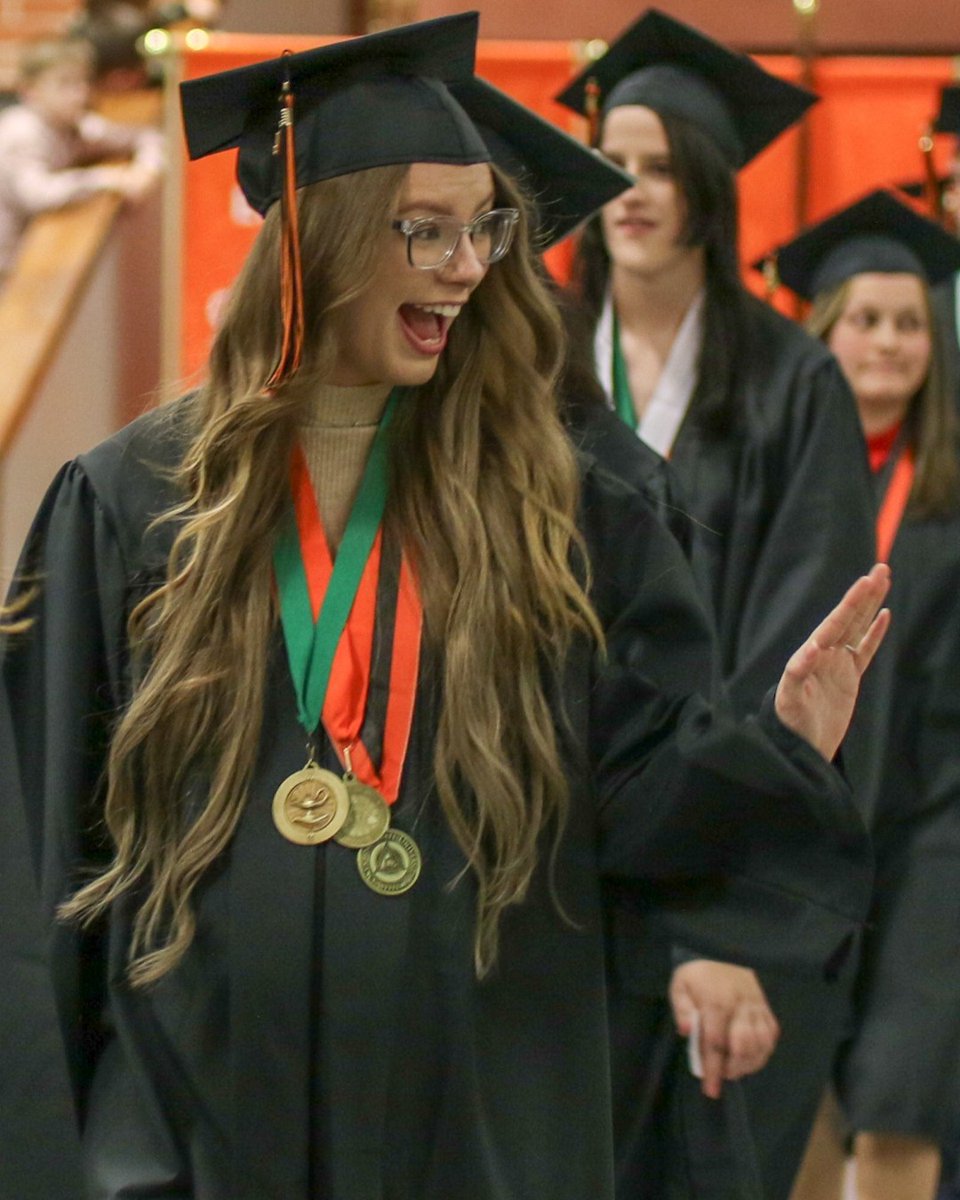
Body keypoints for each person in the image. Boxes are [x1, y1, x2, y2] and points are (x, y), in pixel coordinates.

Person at [0, 15, 890, 1200]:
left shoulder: (564, 506)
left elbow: (633, 798)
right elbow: (50, 831)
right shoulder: (136, 501)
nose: (469, 265)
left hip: (475, 1110)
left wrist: (778, 752)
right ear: (320, 240)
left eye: (485, 228)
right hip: (193, 1115)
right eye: (427, 229)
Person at [554, 11, 879, 1199]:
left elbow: (795, 645)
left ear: (709, 183)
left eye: (659, 167)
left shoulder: (794, 382)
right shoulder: (536, 362)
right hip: (558, 857)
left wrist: (717, 923)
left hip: (724, 864)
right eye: (612, 164)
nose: (630, 193)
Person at [760, 188, 960, 1200]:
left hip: (935, 845)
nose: (887, 343)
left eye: (910, 323)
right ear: (823, 332)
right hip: (798, 833)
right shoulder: (772, 478)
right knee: (791, 1097)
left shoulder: (950, 496)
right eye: (865, 320)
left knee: (901, 1091)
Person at [0, 36, 163, 282]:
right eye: (64, 84)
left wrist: (146, 171)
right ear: (29, 91)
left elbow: (148, 138)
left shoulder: (78, 125)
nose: (78, 94)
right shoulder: (20, 131)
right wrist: (108, 179)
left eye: (82, 83)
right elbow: (38, 195)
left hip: (23, 264)